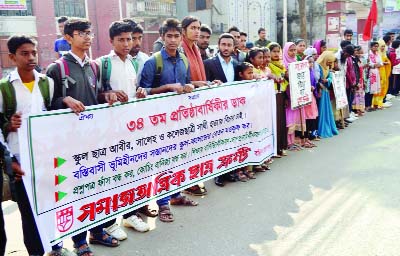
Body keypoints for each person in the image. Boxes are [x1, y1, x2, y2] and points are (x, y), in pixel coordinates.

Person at [47, 18, 120, 256]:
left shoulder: (95, 66)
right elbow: (48, 108)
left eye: (89, 33)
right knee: (77, 190)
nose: (88, 37)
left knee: (97, 186)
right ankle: (79, 241)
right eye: (81, 33)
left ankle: (97, 231)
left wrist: (108, 95)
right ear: (68, 37)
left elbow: (97, 94)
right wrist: (64, 101)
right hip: (69, 143)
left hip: (94, 139)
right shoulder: (57, 68)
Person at [0, 35, 55, 256]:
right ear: (12, 57)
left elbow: (51, 115)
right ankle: (35, 252)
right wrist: (7, 126)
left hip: (44, 158)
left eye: (34, 52)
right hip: (19, 160)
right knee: (27, 213)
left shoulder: (46, 83)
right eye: (25, 53)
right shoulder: (5, 88)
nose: (31, 57)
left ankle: (50, 247)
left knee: (46, 209)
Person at [140, 18, 199, 222]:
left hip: (178, 121)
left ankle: (175, 195)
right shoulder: (152, 62)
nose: (173, 40)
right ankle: (162, 203)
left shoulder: (183, 59)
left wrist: (189, 86)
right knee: (161, 162)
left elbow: (186, 83)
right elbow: (142, 92)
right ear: (162, 37)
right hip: (156, 124)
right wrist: (167, 88)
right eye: (169, 36)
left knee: (178, 158)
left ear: (181, 37)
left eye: (176, 36)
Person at [97, 20, 150, 241]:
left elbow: (136, 88)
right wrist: (108, 94)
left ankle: (130, 214)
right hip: (110, 130)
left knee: (130, 173)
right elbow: (97, 95)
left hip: (132, 127)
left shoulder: (134, 63)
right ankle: (108, 223)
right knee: (110, 175)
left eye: (129, 39)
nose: (127, 43)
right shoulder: (102, 64)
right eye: (121, 39)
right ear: (111, 41)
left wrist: (140, 92)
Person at [203, 33, 238, 186]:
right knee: (217, 142)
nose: (226, 48)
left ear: (233, 47)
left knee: (231, 141)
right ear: (218, 45)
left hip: (234, 110)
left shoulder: (237, 64)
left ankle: (229, 171)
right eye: (223, 44)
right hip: (216, 110)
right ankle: (218, 174)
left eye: (229, 45)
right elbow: (205, 84)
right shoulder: (209, 64)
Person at [282, 42, 308, 150]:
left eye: (294, 50)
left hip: (297, 95)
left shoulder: (297, 62)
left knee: (295, 117)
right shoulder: (283, 64)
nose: (293, 53)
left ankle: (293, 141)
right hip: (288, 95)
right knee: (289, 118)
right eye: (290, 50)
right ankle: (288, 142)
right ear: (285, 51)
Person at [268, 42, 288, 157]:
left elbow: (285, 78)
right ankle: (274, 149)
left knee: (281, 121)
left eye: (278, 51)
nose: (276, 54)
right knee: (275, 121)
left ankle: (280, 147)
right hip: (272, 94)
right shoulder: (268, 65)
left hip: (281, 94)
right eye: (274, 51)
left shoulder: (281, 64)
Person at [316, 51, 339, 138]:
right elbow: (316, 79)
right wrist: (320, 82)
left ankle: (327, 127)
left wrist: (328, 80)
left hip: (325, 91)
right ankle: (319, 129)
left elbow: (329, 77)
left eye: (331, 62)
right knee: (321, 110)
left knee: (325, 110)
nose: (330, 63)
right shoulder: (317, 66)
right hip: (320, 91)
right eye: (328, 61)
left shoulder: (327, 67)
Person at [372, 39, 392, 109]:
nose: (383, 48)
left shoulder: (384, 53)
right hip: (378, 73)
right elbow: (377, 63)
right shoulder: (377, 54)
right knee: (378, 88)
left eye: (384, 46)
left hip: (384, 72)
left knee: (383, 86)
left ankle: (380, 102)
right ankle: (376, 103)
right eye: (381, 46)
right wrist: (384, 63)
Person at [304, 55, 319, 141]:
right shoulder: (304, 72)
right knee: (307, 116)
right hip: (306, 97)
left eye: (312, 62)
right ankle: (307, 135)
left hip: (312, 95)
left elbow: (314, 83)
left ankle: (313, 134)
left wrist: (313, 89)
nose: (311, 64)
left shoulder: (312, 71)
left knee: (313, 115)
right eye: (309, 62)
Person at [367, 41, 382, 110]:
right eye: (375, 46)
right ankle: (368, 105)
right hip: (370, 73)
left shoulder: (377, 54)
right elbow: (369, 64)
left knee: (374, 89)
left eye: (377, 46)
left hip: (376, 72)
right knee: (369, 89)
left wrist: (376, 65)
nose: (376, 48)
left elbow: (381, 63)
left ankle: (371, 105)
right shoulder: (368, 54)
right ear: (371, 47)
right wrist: (375, 65)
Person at [352, 46, 366, 115]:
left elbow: (361, 69)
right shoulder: (353, 60)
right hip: (357, 80)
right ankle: (356, 109)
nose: (356, 52)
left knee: (360, 94)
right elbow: (354, 72)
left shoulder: (358, 59)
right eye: (355, 51)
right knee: (356, 95)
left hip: (361, 79)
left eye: (357, 51)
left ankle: (360, 108)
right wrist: (356, 81)